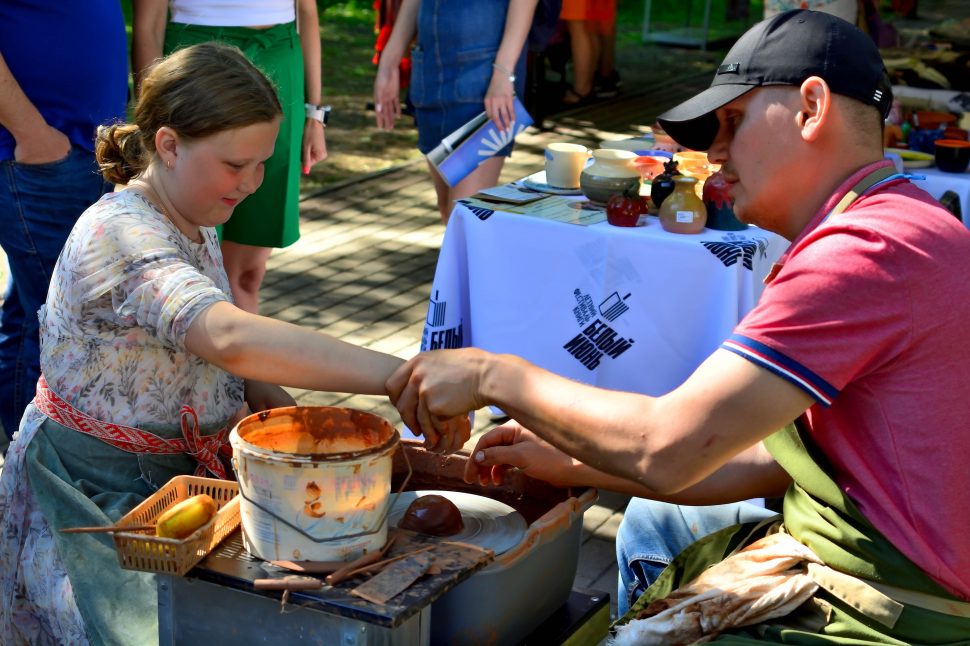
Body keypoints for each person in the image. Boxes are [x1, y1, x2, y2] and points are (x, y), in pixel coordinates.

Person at [386, 10, 970, 642]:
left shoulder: (861, 253)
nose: (713, 153)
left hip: (902, 601)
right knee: (652, 522)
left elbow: (664, 449)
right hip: (879, 546)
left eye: (732, 122)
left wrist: (489, 373)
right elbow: (765, 461)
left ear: (810, 108)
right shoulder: (902, 217)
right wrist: (576, 460)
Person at [0, 43, 469, 645]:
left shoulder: (194, 217)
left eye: (262, 164)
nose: (250, 183)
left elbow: (227, 366)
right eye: (234, 164)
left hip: (181, 487)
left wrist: (296, 425)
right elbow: (225, 338)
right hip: (97, 493)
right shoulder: (119, 232)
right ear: (168, 145)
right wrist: (402, 375)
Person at [132, 0, 328, 314]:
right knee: (193, 263)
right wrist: (150, 118)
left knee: (249, 273)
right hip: (196, 55)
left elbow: (307, 10)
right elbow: (148, 22)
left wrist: (315, 114)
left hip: (280, 52)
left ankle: (243, 354)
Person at [0, 1, 128, 449]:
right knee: (68, 322)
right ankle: (39, 470)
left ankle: (23, 461)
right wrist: (32, 134)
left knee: (32, 316)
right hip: (38, 152)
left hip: (83, 148)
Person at [373, 0, 539, 224]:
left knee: (462, 220)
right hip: (431, 72)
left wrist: (503, 71)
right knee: (449, 215)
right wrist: (389, 63)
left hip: (486, 79)